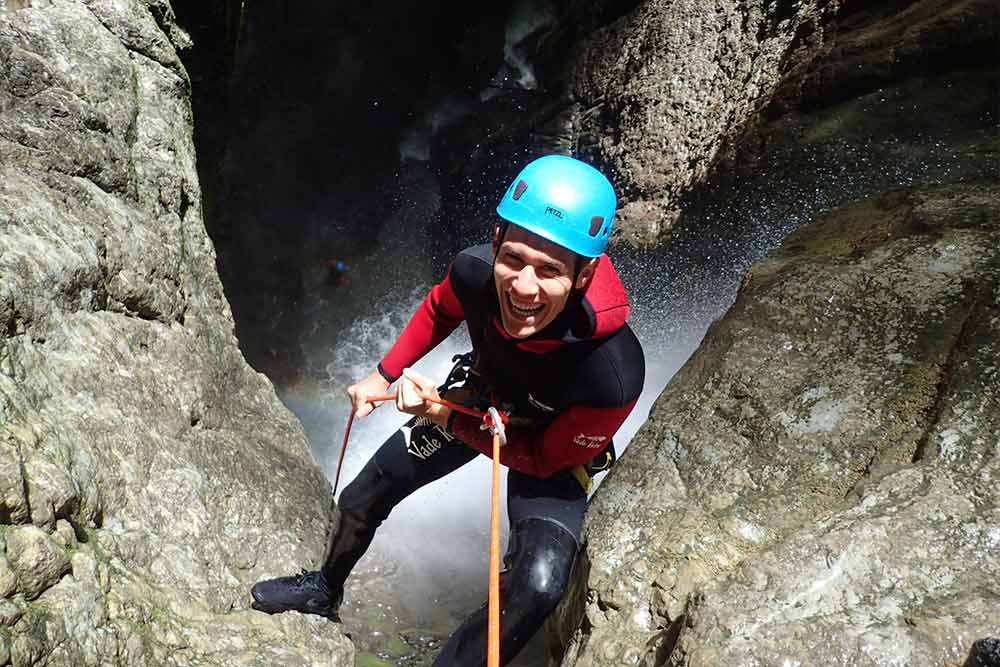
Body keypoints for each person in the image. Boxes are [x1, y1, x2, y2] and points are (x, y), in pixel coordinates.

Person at [251, 154, 645, 666]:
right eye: (514, 259)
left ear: (585, 274)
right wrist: (383, 375)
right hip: (478, 398)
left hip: (547, 444)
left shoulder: (611, 372)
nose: (524, 287)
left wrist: (445, 417)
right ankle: (325, 587)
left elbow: (542, 460)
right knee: (362, 494)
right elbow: (441, 307)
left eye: (550, 270)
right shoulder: (476, 273)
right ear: (497, 239)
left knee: (540, 583)